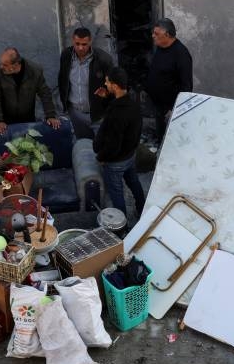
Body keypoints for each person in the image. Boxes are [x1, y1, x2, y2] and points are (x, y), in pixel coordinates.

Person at [94, 68, 145, 220]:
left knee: (117, 193)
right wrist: (106, 98)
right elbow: (120, 108)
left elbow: (113, 143)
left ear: (115, 86)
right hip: (129, 155)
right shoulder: (132, 100)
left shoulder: (118, 113)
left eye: (107, 81)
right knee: (134, 183)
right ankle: (142, 209)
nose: (105, 83)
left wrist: (101, 157)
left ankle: (121, 225)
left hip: (115, 161)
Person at [0, 48, 61, 136]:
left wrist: (50, 116)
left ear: (15, 65)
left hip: (27, 119)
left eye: (5, 65)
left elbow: (45, 93)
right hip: (5, 121)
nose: (1, 66)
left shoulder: (35, 71)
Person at [57, 27, 114, 140]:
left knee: (102, 148)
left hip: (98, 115)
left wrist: (107, 95)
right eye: (77, 44)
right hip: (76, 113)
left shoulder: (103, 59)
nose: (80, 48)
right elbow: (62, 79)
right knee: (83, 144)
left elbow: (113, 86)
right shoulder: (66, 55)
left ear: (90, 42)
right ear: (73, 40)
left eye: (84, 44)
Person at [144, 18, 192, 143]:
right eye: (153, 33)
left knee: (171, 141)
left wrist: (175, 109)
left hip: (170, 110)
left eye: (156, 34)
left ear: (167, 35)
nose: (153, 36)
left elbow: (187, 86)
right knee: (161, 137)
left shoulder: (181, 54)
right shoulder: (161, 47)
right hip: (159, 106)